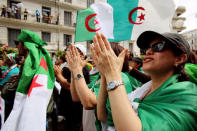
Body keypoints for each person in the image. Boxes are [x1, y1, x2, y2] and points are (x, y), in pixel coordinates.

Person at [93, 32, 197, 131]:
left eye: (158, 46)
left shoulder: (188, 96)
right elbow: (104, 116)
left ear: (179, 59)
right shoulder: (143, 90)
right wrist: (105, 74)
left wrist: (112, 74)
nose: (148, 52)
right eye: (147, 48)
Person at [66, 42, 132, 131]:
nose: (94, 57)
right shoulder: (99, 77)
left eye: (98, 53)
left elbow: (89, 104)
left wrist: (77, 70)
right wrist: (73, 70)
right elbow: (76, 97)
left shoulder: (120, 77)